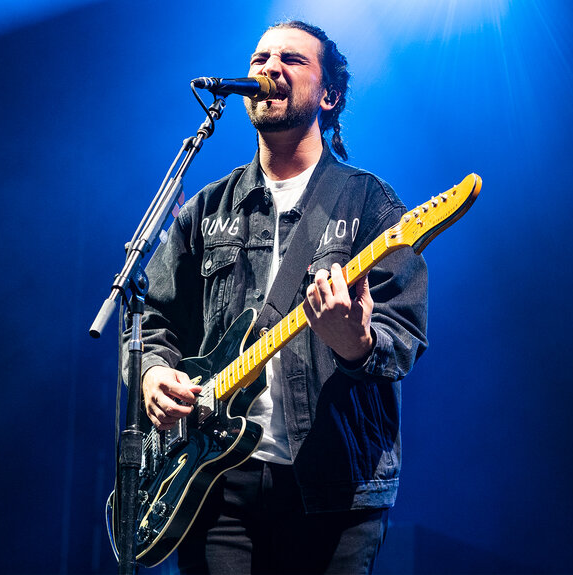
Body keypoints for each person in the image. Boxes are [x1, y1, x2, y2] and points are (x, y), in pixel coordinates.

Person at [130, 21, 428, 574]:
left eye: (292, 60)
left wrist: (355, 341)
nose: (269, 68)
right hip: (213, 483)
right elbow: (153, 318)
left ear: (329, 95)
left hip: (332, 489)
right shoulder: (206, 207)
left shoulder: (370, 203)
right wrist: (152, 373)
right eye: (260, 57)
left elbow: (401, 337)